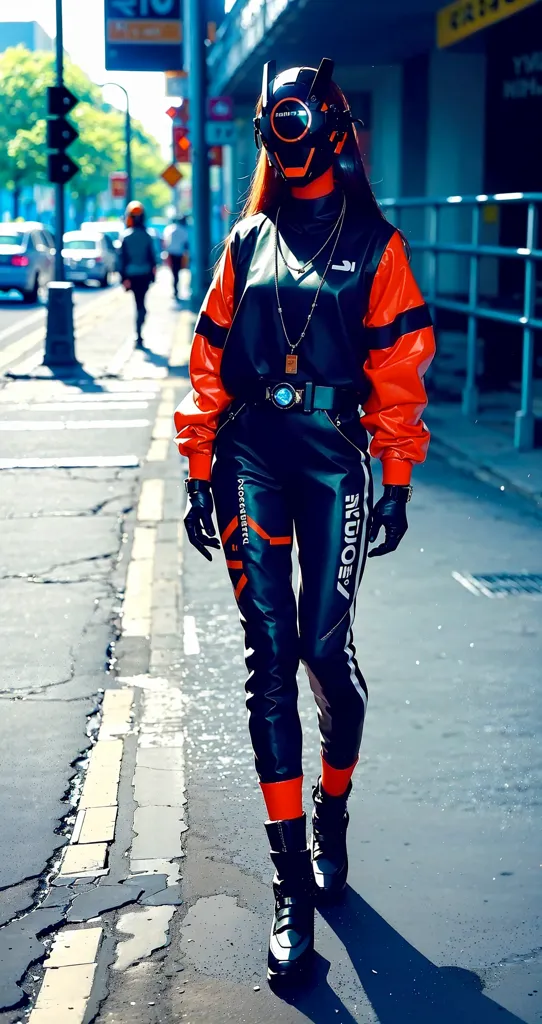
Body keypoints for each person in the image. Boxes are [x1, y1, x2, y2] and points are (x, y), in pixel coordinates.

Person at [173, 59, 435, 986]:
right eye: (270, 117)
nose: (283, 131)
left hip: (332, 463)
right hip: (250, 458)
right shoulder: (245, 240)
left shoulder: (377, 245)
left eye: (297, 113)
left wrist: (395, 475)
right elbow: (208, 358)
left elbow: (399, 373)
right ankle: (290, 889)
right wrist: (199, 465)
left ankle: (334, 810)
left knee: (327, 656)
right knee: (269, 657)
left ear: (329, 125)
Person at [120, 200, 156, 348]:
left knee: (138, 303)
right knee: (141, 303)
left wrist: (124, 278)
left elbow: (122, 260)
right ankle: (139, 329)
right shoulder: (147, 236)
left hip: (132, 275)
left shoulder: (126, 237)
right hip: (144, 274)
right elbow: (152, 258)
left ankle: (138, 332)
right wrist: (153, 275)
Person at [163, 215, 189, 300]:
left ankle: (175, 290)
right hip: (179, 253)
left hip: (170, 253)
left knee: (174, 272)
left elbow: (165, 241)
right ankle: (176, 290)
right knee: (177, 272)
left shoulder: (169, 229)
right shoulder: (183, 230)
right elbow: (186, 243)